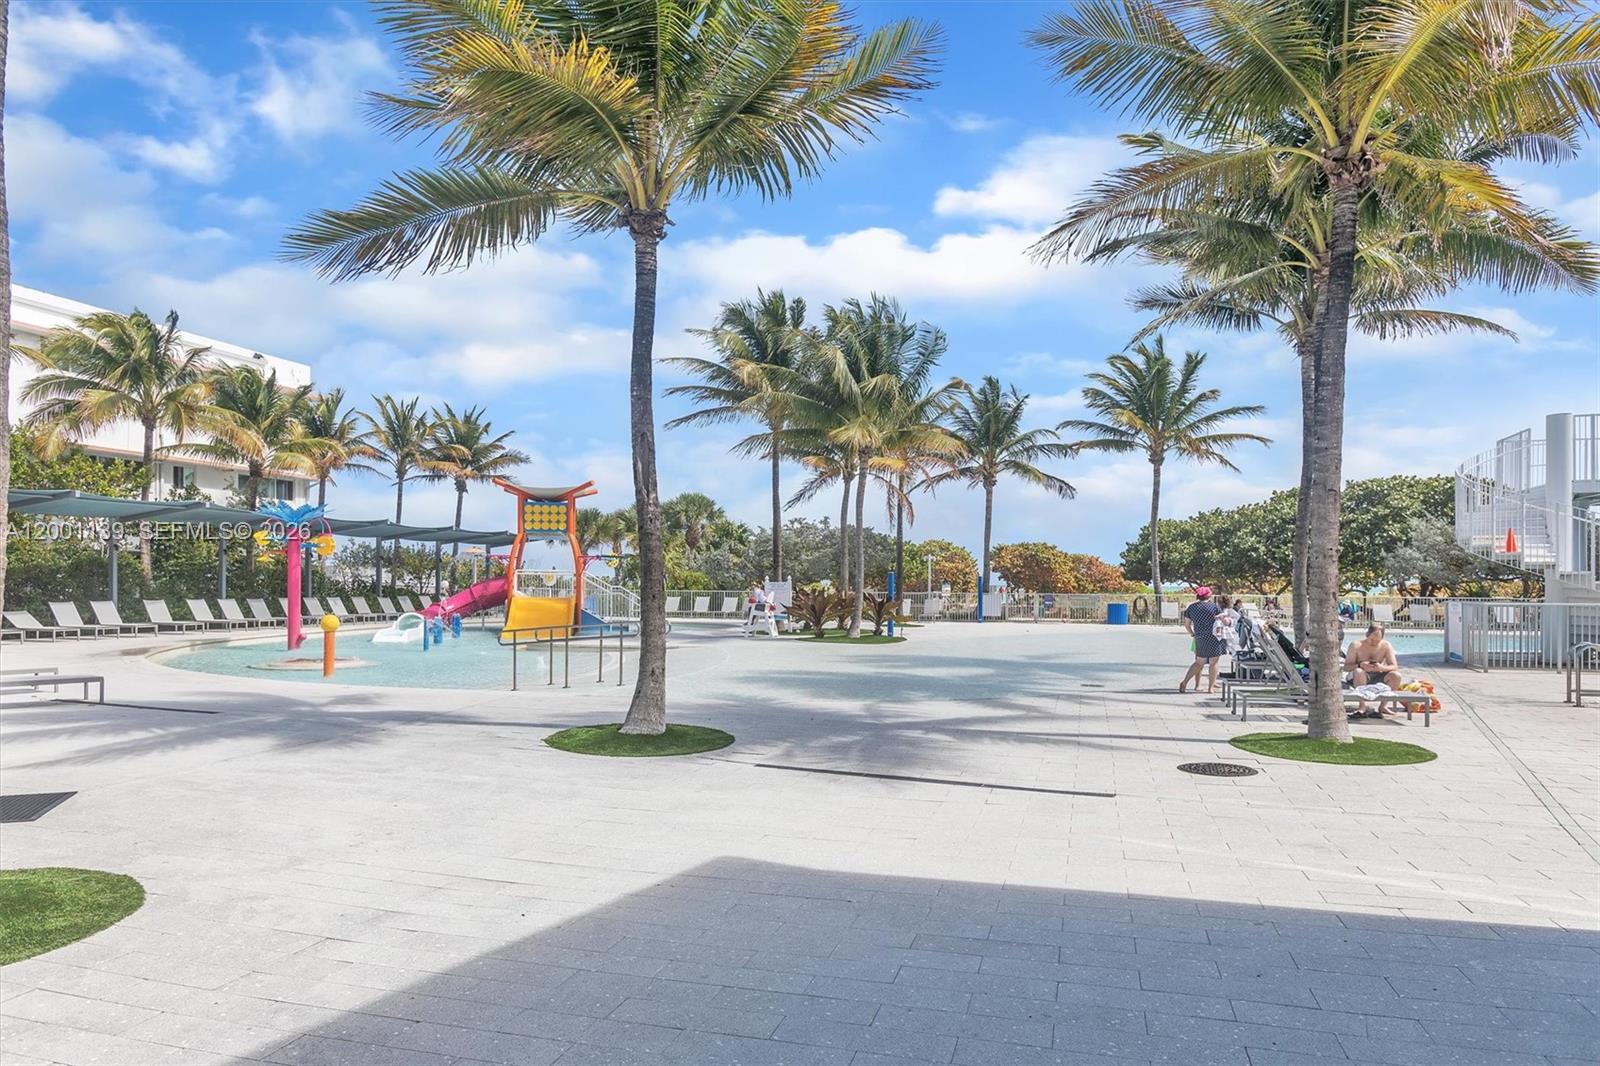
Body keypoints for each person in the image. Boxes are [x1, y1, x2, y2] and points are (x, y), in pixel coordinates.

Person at [1343, 624, 1401, 715]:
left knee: (1396, 676)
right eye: (1372, 640)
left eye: (1378, 640)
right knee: (1359, 672)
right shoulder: (1356, 645)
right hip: (1358, 675)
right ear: (1367, 635)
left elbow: (1394, 666)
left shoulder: (1386, 646)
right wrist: (1360, 664)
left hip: (1377, 674)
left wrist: (1381, 667)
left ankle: (1383, 706)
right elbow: (1346, 667)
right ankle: (1362, 706)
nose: (1374, 643)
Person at [1179, 587, 1225, 694]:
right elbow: (1221, 620)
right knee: (1214, 663)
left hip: (1200, 636)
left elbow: (1187, 624)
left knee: (1199, 662)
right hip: (1214, 637)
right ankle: (1210, 688)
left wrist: (1192, 634)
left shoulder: (1192, 608)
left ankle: (1185, 682)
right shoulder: (1214, 607)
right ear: (1208, 596)